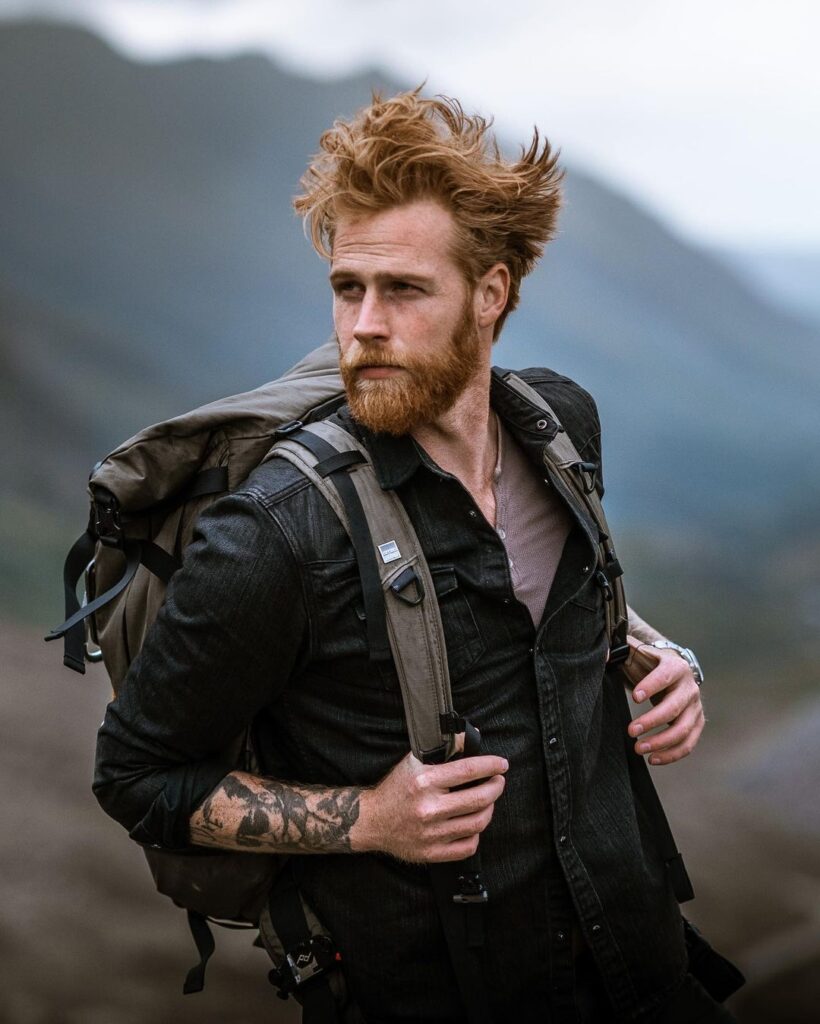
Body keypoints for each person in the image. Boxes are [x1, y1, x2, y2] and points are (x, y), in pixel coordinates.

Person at [94, 90, 727, 1022]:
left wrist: (664, 657)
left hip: (646, 972)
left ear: (492, 293)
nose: (363, 328)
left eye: (404, 290)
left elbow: (533, 588)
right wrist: (371, 820)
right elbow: (135, 778)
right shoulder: (274, 533)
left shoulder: (560, 426)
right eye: (349, 288)